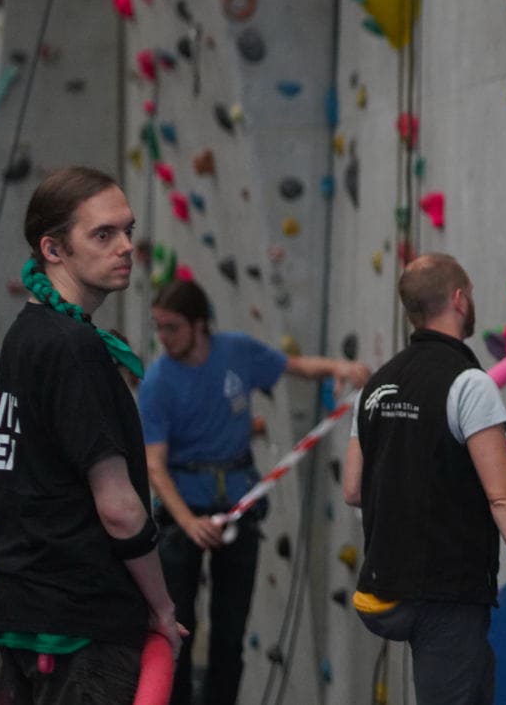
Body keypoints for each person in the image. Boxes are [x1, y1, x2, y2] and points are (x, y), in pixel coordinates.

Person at [0, 166, 183, 701]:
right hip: (79, 622)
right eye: (103, 234)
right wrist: (162, 606)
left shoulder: (24, 334)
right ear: (53, 249)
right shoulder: (74, 348)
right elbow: (118, 506)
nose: (125, 247)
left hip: (25, 609)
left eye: (127, 230)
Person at [343, 254, 506, 705]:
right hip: (444, 592)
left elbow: (353, 488)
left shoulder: (377, 385)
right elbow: (503, 496)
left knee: (479, 684)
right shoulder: (467, 384)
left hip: (384, 582)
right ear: (459, 300)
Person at [141, 279, 370, 705]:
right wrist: (189, 523)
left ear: (199, 325)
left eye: (171, 327)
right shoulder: (158, 382)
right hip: (182, 510)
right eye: (159, 327)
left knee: (230, 631)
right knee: (178, 629)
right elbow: (154, 464)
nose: (163, 337)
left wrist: (340, 369)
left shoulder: (236, 353)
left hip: (238, 503)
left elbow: (293, 366)